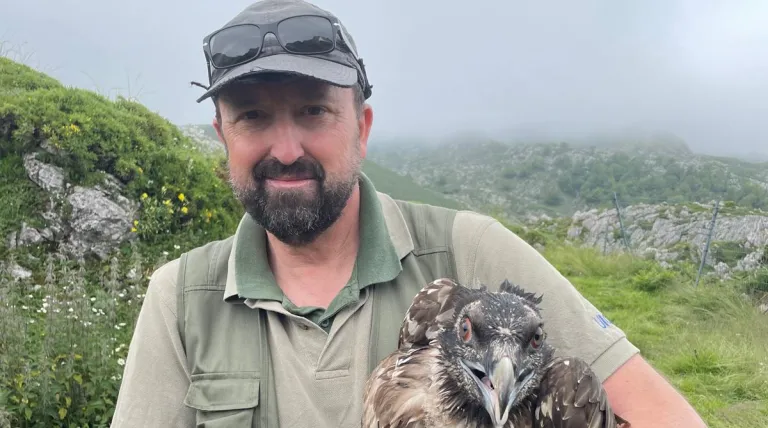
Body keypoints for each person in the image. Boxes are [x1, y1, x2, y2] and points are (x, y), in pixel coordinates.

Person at [111, 0, 707, 427]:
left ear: (362, 129)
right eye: (253, 117)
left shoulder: (469, 252)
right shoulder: (180, 298)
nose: (286, 149)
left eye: (314, 112)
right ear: (222, 135)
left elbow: (665, 415)